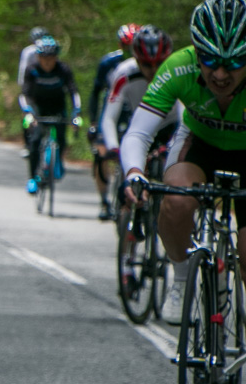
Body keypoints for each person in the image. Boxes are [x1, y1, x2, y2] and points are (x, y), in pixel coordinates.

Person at [123, 0, 246, 325]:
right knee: (175, 200)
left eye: (235, 62)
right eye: (210, 60)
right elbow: (138, 133)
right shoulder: (178, 66)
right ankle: (181, 277)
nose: (220, 74)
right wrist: (134, 171)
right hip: (199, 142)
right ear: (197, 52)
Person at [101, 26, 179, 278]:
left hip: (171, 129)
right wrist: (114, 148)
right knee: (130, 190)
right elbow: (109, 118)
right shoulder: (124, 73)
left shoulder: (177, 72)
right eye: (146, 65)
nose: (153, 71)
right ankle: (127, 255)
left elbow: (187, 117)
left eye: (159, 64)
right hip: (141, 129)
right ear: (136, 60)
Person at [89, 23, 140, 220]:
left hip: (134, 113)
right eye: (126, 47)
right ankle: (104, 201)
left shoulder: (148, 64)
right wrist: (93, 121)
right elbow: (95, 92)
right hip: (112, 111)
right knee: (101, 153)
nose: (130, 52)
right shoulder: (108, 63)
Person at [20, 35, 82, 194]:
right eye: (44, 57)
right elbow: (24, 94)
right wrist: (28, 112)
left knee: (61, 138)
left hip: (58, 106)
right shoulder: (32, 69)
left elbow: (73, 92)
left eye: (51, 57)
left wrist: (76, 113)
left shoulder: (63, 69)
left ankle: (57, 161)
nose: (47, 61)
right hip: (38, 107)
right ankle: (33, 177)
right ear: (38, 57)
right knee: (35, 140)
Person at [17, 27, 49, 157]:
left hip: (45, 86)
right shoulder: (29, 52)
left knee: (31, 115)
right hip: (32, 86)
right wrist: (24, 88)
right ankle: (27, 143)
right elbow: (23, 70)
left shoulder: (46, 51)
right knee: (28, 115)